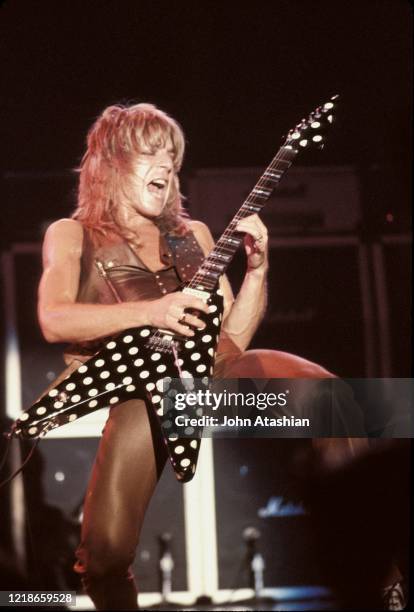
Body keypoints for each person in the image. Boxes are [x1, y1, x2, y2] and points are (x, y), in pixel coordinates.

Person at [35, 103, 396, 610]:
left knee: (332, 398)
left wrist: (258, 271)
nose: (166, 165)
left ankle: (381, 583)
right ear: (111, 163)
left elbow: (234, 337)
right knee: (104, 557)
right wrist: (154, 312)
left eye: (172, 156)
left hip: (214, 375)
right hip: (146, 390)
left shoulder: (193, 236)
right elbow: (54, 319)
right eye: (150, 152)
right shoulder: (73, 235)